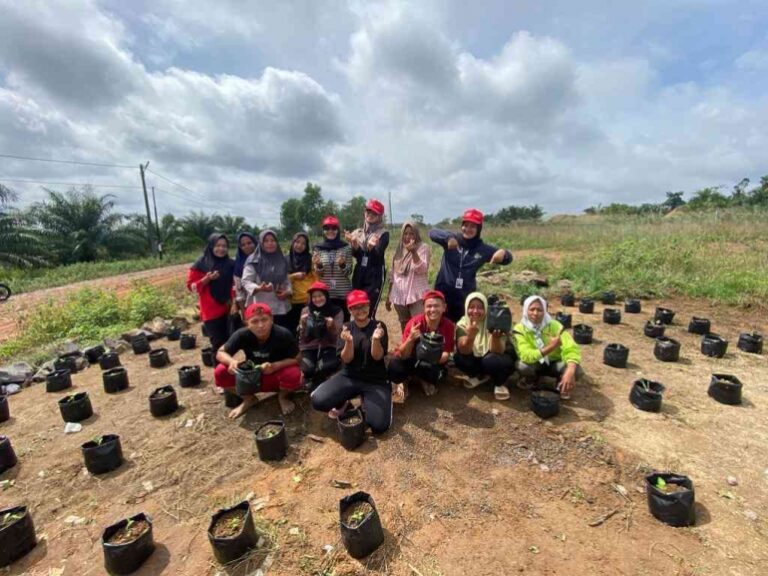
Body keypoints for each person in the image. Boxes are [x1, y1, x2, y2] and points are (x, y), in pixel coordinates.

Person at [310, 290, 392, 435]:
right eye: (355, 307)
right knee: (318, 401)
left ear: (369, 305)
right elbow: (346, 359)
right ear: (350, 309)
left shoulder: (379, 326)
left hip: (375, 380)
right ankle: (344, 402)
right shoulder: (346, 328)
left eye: (363, 306)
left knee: (379, 426)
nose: (360, 310)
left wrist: (376, 339)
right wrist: (348, 341)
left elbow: (378, 356)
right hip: (349, 376)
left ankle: (370, 400)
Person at [214, 302, 302, 418]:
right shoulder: (242, 334)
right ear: (247, 323)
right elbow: (220, 352)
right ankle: (249, 399)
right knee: (220, 371)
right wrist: (232, 362)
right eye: (254, 321)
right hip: (251, 376)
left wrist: (276, 365)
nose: (260, 325)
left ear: (271, 319)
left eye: (264, 320)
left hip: (276, 376)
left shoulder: (283, 334)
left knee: (294, 373)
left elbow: (298, 358)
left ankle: (283, 396)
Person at [429, 208, 513, 322]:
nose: (468, 229)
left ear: (478, 229)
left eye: (473, 227)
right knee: (440, 329)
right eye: (465, 225)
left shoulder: (482, 249)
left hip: (465, 298)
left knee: (462, 330)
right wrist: (448, 238)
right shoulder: (452, 239)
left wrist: (504, 253)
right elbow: (432, 232)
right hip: (443, 294)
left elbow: (508, 258)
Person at [388, 290, 455, 401]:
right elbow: (403, 354)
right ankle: (404, 380)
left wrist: (431, 359)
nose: (432, 310)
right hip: (411, 359)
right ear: (423, 308)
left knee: (439, 375)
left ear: (444, 307)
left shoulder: (448, 325)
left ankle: (420, 378)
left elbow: (446, 353)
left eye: (436, 306)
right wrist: (411, 339)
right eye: (429, 306)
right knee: (395, 367)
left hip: (431, 362)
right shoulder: (415, 322)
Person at [513, 295, 583, 399]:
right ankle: (531, 379)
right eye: (532, 309)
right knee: (523, 366)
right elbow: (525, 355)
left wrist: (570, 371)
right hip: (535, 363)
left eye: (540, 310)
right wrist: (551, 347)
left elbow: (571, 347)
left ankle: (561, 384)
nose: (535, 313)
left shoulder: (555, 326)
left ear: (545, 311)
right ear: (525, 310)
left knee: (576, 370)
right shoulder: (519, 329)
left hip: (554, 363)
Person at [454, 292, 516, 400]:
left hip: (496, 355)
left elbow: (499, 351)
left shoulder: (494, 321)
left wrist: (495, 337)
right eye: (471, 307)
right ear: (466, 307)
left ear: (486, 309)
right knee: (459, 358)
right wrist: (471, 337)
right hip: (478, 358)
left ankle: (500, 382)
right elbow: (463, 351)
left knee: (491, 361)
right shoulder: (462, 324)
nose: (475, 311)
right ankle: (479, 376)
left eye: (480, 308)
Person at [187, 233, 235, 355]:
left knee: (229, 344)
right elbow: (191, 287)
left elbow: (234, 285)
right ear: (211, 246)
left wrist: (234, 302)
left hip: (228, 308)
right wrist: (206, 279)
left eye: (224, 246)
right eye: (218, 245)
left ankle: (227, 369)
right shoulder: (201, 264)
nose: (221, 249)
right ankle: (219, 372)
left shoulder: (230, 263)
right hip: (211, 312)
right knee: (218, 345)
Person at [345, 199, 390, 319]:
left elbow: (378, 255)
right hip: (360, 272)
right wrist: (354, 245)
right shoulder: (358, 232)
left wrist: (372, 248)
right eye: (368, 212)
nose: (370, 215)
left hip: (374, 274)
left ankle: (371, 336)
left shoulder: (383, 233)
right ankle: (358, 336)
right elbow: (359, 256)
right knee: (356, 306)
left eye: (374, 213)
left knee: (369, 310)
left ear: (379, 216)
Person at [385, 220, 431, 332]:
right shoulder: (399, 250)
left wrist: (414, 252)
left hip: (416, 296)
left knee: (419, 324)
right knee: (404, 325)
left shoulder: (423, 248)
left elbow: (422, 269)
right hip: (399, 296)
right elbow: (393, 276)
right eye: (405, 234)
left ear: (416, 234)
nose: (408, 237)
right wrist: (388, 296)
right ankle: (407, 348)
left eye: (411, 233)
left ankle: (420, 348)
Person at [241, 230, 292, 329]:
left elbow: (286, 280)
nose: (270, 243)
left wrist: (287, 292)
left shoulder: (281, 259)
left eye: (273, 240)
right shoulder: (254, 260)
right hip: (261, 306)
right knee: (263, 334)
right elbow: (245, 281)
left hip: (280, 306)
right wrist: (259, 288)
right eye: (266, 241)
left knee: (281, 334)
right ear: (261, 243)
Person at [299, 281, 344, 391]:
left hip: (329, 345)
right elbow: (302, 336)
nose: (317, 299)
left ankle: (319, 381)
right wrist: (302, 324)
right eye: (314, 297)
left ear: (326, 296)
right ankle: (312, 378)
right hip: (309, 346)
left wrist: (332, 326)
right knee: (308, 369)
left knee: (326, 367)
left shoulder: (337, 311)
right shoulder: (306, 311)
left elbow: (338, 335)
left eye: (320, 296)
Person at [313, 215, 353, 321]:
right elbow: (318, 273)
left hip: (343, 293)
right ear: (323, 231)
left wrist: (342, 265)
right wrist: (319, 265)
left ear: (338, 230)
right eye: (327, 228)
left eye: (334, 228)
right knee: (327, 325)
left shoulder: (346, 247)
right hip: (326, 294)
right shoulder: (317, 248)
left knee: (344, 323)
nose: (330, 231)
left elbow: (349, 272)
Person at [285, 232, 316, 335]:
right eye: (297, 242)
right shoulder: (286, 260)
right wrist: (294, 276)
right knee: (292, 329)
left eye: (303, 243)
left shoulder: (311, 259)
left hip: (307, 300)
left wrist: (311, 296)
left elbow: (317, 279)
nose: (299, 245)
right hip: (290, 301)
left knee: (308, 329)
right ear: (293, 242)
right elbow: (282, 280)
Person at [232, 231, 258, 331]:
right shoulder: (238, 265)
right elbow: (240, 293)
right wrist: (244, 313)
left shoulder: (265, 259)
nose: (246, 246)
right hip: (250, 305)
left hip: (268, 303)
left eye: (249, 243)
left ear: (255, 243)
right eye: (243, 245)